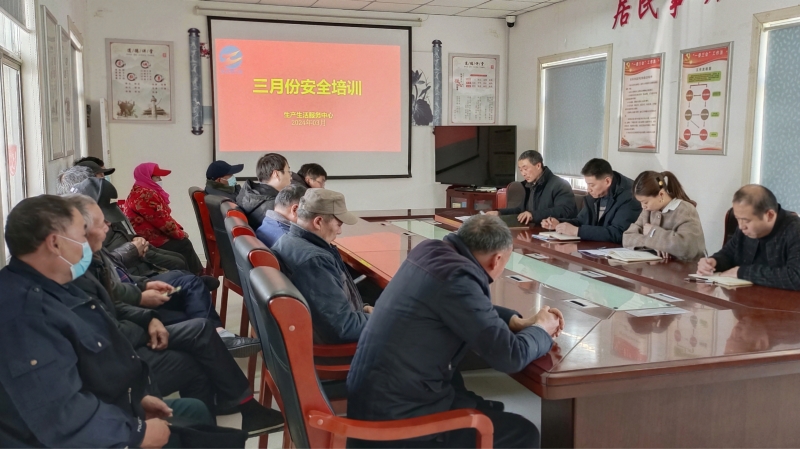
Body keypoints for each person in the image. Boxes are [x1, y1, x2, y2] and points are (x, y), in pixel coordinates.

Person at [0, 195, 223, 448]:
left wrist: (134, 400)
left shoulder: (58, 284)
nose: (87, 245)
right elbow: (61, 416)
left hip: (112, 408)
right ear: (55, 243)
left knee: (199, 419)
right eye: (81, 236)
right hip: (92, 437)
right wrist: (136, 433)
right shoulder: (23, 314)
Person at [63, 194, 283, 435]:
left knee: (196, 326)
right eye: (101, 222)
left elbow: (114, 296)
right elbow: (106, 325)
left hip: (127, 328)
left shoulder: (90, 256)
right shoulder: (74, 270)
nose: (109, 225)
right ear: (79, 230)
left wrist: (146, 309)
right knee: (200, 331)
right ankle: (238, 411)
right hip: (118, 348)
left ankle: (220, 423)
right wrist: (148, 324)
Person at [347, 215, 564, 448]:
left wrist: (515, 322)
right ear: (497, 260)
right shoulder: (458, 278)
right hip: (397, 424)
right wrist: (542, 329)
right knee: (522, 433)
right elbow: (510, 356)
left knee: (484, 406)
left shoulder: (429, 251)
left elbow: (465, 307)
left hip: (377, 400)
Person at [70, 178, 258, 356]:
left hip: (137, 275)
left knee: (181, 269)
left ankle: (212, 327)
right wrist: (140, 290)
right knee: (189, 284)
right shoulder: (81, 250)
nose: (108, 225)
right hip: (133, 288)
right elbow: (111, 291)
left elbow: (116, 268)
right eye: (102, 221)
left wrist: (142, 279)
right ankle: (215, 331)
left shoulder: (96, 237)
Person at [272, 188, 371, 344]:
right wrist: (382, 319)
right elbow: (343, 327)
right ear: (318, 222)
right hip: (333, 347)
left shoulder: (286, 241)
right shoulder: (315, 260)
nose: (340, 231)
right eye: (338, 224)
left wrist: (362, 309)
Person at [60, 165, 191, 275]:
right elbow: (103, 268)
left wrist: (136, 240)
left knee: (181, 261)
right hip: (134, 261)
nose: (102, 182)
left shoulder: (102, 210)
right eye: (98, 179)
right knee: (181, 256)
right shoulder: (77, 229)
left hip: (137, 252)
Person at [697, 185, 800, 290]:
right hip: (744, 295)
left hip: (780, 299)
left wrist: (742, 272)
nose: (741, 226)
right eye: (737, 219)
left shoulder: (795, 230)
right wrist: (714, 262)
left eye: (746, 220)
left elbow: (796, 277)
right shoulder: (744, 229)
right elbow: (729, 254)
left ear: (770, 215)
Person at [125, 162, 204, 275]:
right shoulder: (146, 195)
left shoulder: (139, 189)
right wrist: (179, 234)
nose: (160, 180)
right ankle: (197, 275)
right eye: (157, 177)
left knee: (182, 244)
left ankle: (195, 274)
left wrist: (178, 229)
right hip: (149, 240)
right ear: (147, 177)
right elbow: (162, 221)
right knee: (184, 244)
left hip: (149, 235)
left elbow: (164, 216)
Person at [542, 158, 641, 243]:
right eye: (587, 184)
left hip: (616, 252)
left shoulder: (630, 195)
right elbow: (582, 221)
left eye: (592, 185)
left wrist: (577, 231)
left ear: (607, 181)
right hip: (595, 247)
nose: (588, 189)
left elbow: (619, 233)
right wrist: (559, 223)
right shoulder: (595, 193)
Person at [622, 171, 706, 260]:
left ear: (661, 194)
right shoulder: (648, 211)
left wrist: (653, 232)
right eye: (641, 202)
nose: (643, 206)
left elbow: (687, 248)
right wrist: (655, 244)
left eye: (645, 202)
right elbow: (627, 237)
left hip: (686, 267)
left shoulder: (685, 210)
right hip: (658, 266)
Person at [486, 150, 576, 224]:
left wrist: (533, 215)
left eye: (525, 169)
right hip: (533, 230)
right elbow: (522, 211)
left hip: (551, 232)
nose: (523, 173)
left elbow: (565, 210)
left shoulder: (560, 184)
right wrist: (500, 213)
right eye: (521, 170)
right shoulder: (529, 185)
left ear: (538, 166)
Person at [237, 153, 291, 228]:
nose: (291, 176)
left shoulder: (248, 195)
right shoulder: (276, 207)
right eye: (288, 171)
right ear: (276, 174)